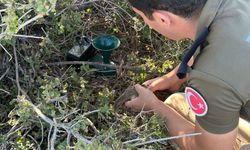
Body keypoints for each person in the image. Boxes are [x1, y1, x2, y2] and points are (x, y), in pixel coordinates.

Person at [125, 0, 250, 149]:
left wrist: (155, 107)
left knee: (176, 104)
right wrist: (175, 76)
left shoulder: (212, 79)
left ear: (162, 19)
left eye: (142, 17)